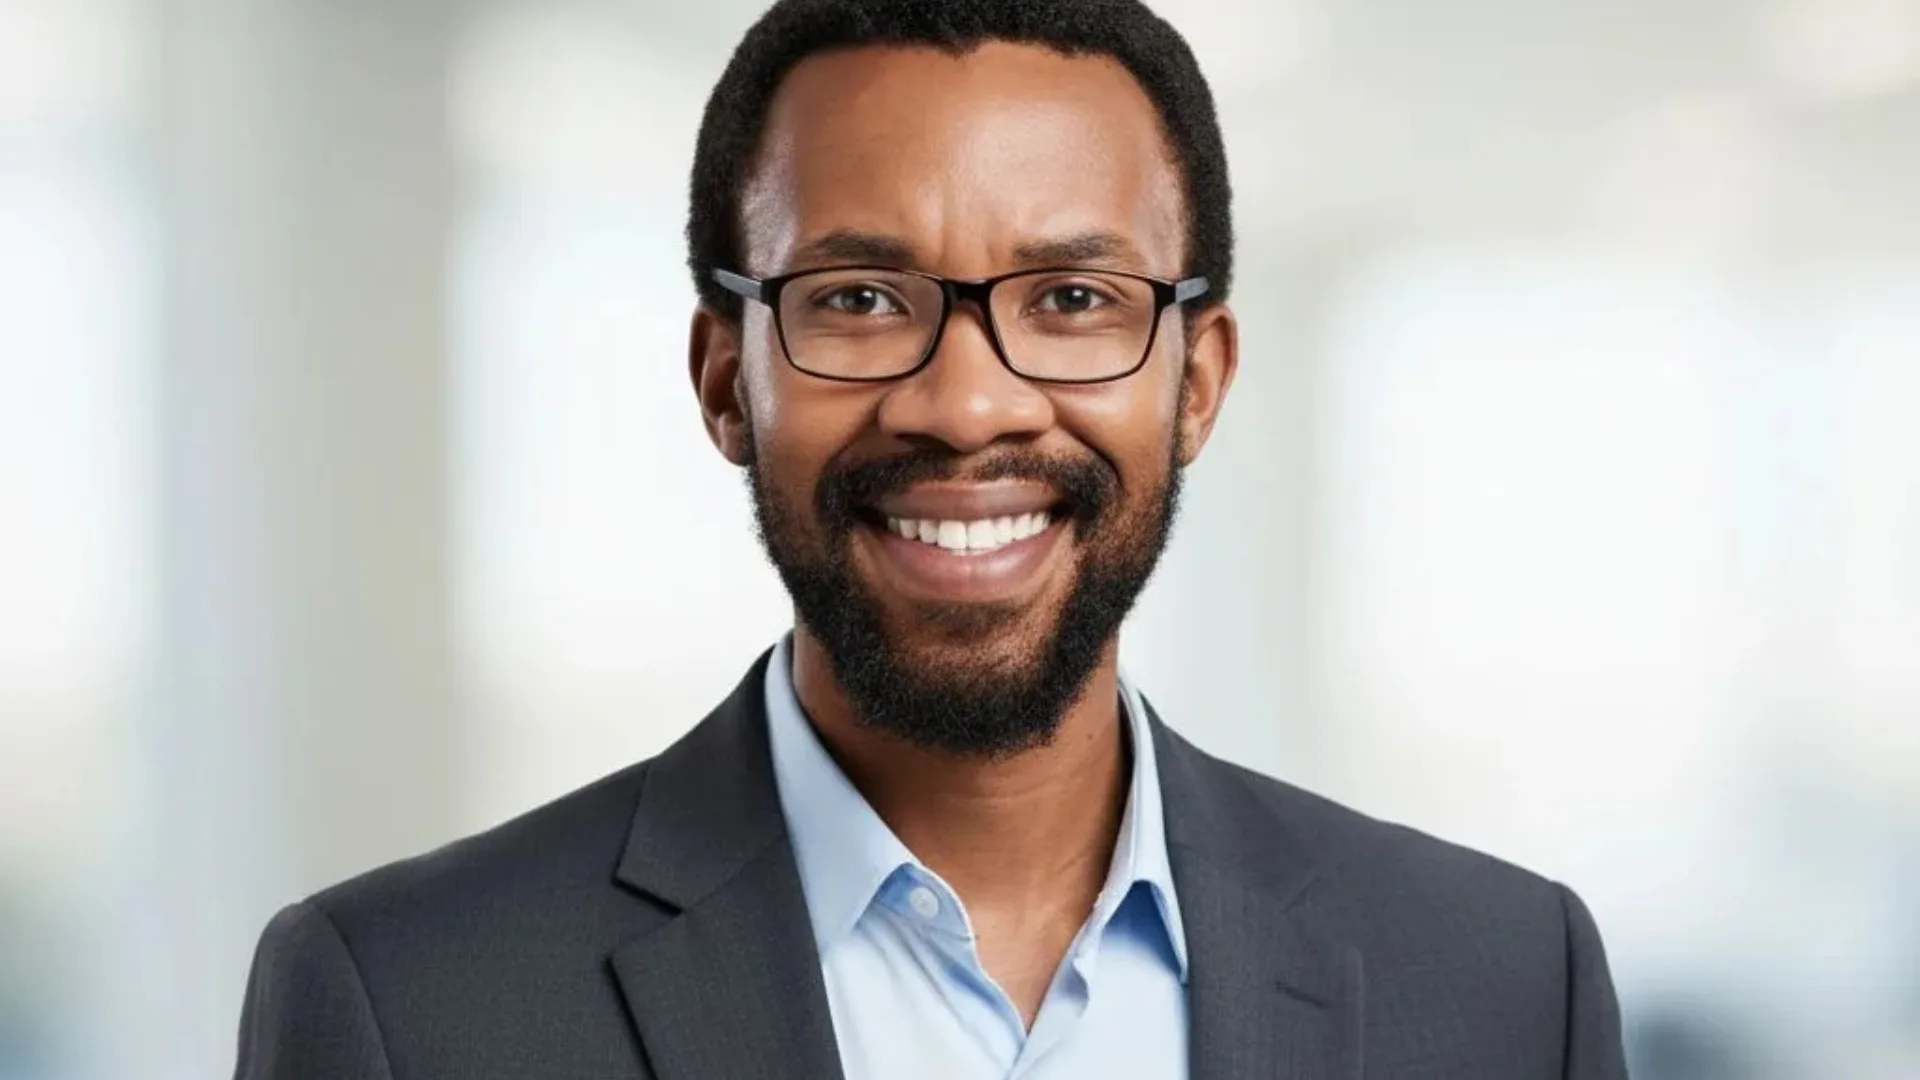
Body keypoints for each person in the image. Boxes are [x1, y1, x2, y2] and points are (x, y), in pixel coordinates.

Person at [234, 0, 1630, 1076]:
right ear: (728, 378)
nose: (967, 404)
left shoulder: (1504, 985)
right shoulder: (411, 1007)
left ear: (1196, 381)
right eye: (857, 298)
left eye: (1074, 299)